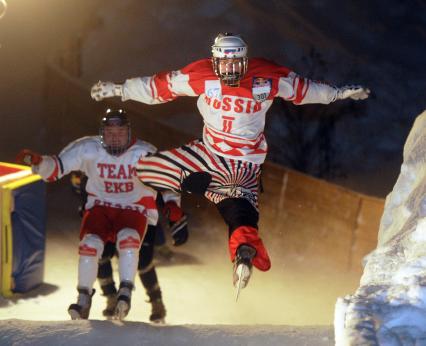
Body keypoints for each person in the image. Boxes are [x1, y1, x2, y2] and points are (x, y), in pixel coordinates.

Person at [90, 32, 370, 289]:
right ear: (215, 62)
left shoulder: (263, 76)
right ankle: (223, 231)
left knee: (231, 208)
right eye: (225, 64)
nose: (231, 70)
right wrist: (120, 89)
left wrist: (337, 93)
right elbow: (160, 87)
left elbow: (303, 90)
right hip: (222, 158)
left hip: (236, 162)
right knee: (153, 172)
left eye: (237, 63)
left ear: (245, 61)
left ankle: (220, 216)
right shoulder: (209, 74)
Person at [16, 109, 186, 320]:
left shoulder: (143, 153)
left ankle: (130, 295)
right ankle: (85, 300)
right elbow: (57, 167)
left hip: (133, 208)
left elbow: (169, 180)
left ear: (129, 132)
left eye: (120, 131)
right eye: (109, 132)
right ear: (102, 133)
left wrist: (173, 206)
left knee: (130, 243)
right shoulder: (88, 148)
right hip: (101, 206)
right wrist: (40, 163)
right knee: (90, 245)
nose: (114, 137)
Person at [70, 172, 186, 323]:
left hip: (138, 214)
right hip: (108, 213)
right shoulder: (94, 157)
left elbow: (164, 179)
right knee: (100, 254)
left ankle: (156, 301)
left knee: (143, 260)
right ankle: (111, 296)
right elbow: (83, 183)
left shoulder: (140, 155)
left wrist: (173, 213)